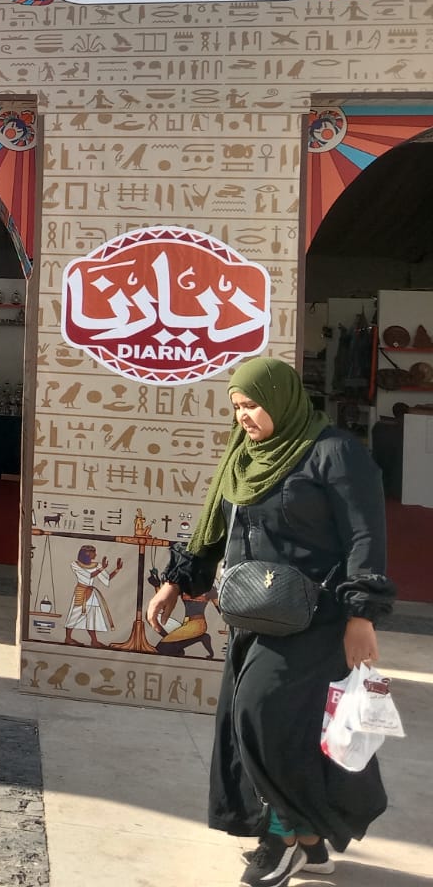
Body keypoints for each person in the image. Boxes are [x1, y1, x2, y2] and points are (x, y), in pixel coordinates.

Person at [146, 357, 394, 887]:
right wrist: (176, 581)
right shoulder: (245, 456)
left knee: (263, 719)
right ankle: (311, 842)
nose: (244, 416)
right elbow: (215, 527)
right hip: (254, 615)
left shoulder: (334, 452)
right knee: (259, 725)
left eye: (253, 405)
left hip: (318, 620)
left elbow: (365, 536)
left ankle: (281, 840)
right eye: (237, 406)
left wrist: (361, 615)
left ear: (282, 399)